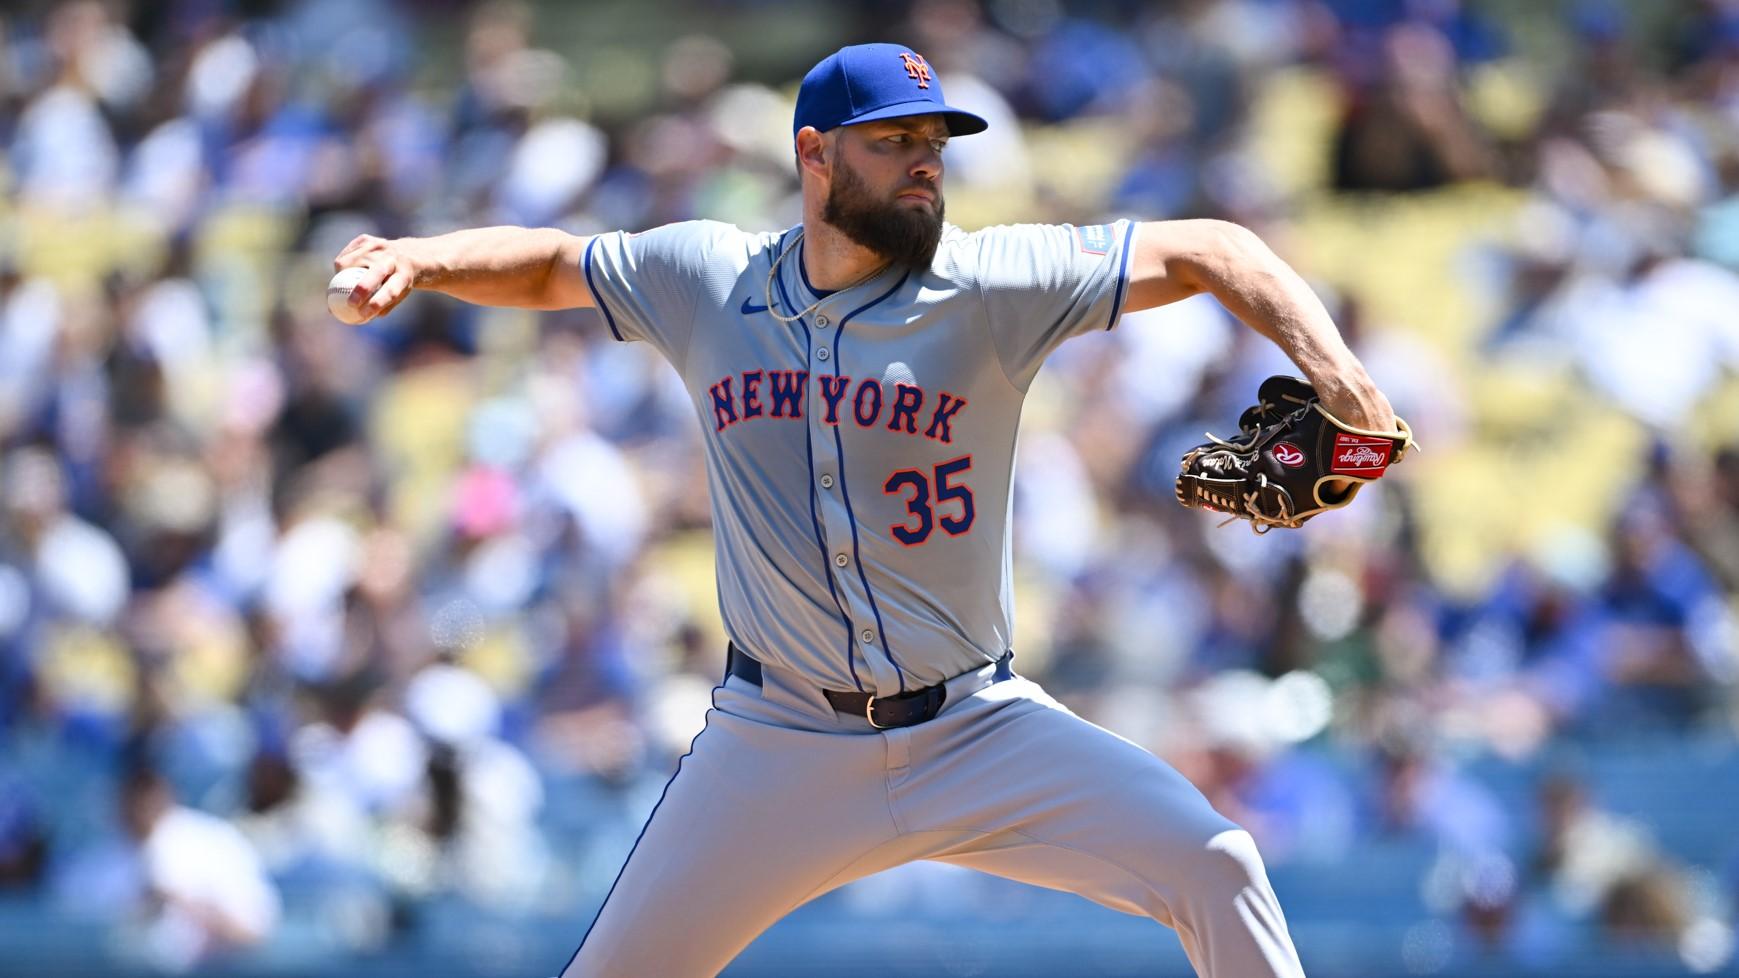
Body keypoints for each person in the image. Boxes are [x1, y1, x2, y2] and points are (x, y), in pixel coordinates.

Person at [333, 42, 1400, 978]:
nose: (925, 160)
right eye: (891, 141)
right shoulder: (710, 277)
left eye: (934, 139)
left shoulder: (989, 285)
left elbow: (1213, 248)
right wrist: (416, 261)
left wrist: (1341, 379)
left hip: (978, 729)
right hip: (776, 743)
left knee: (1218, 867)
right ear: (814, 155)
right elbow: (554, 266)